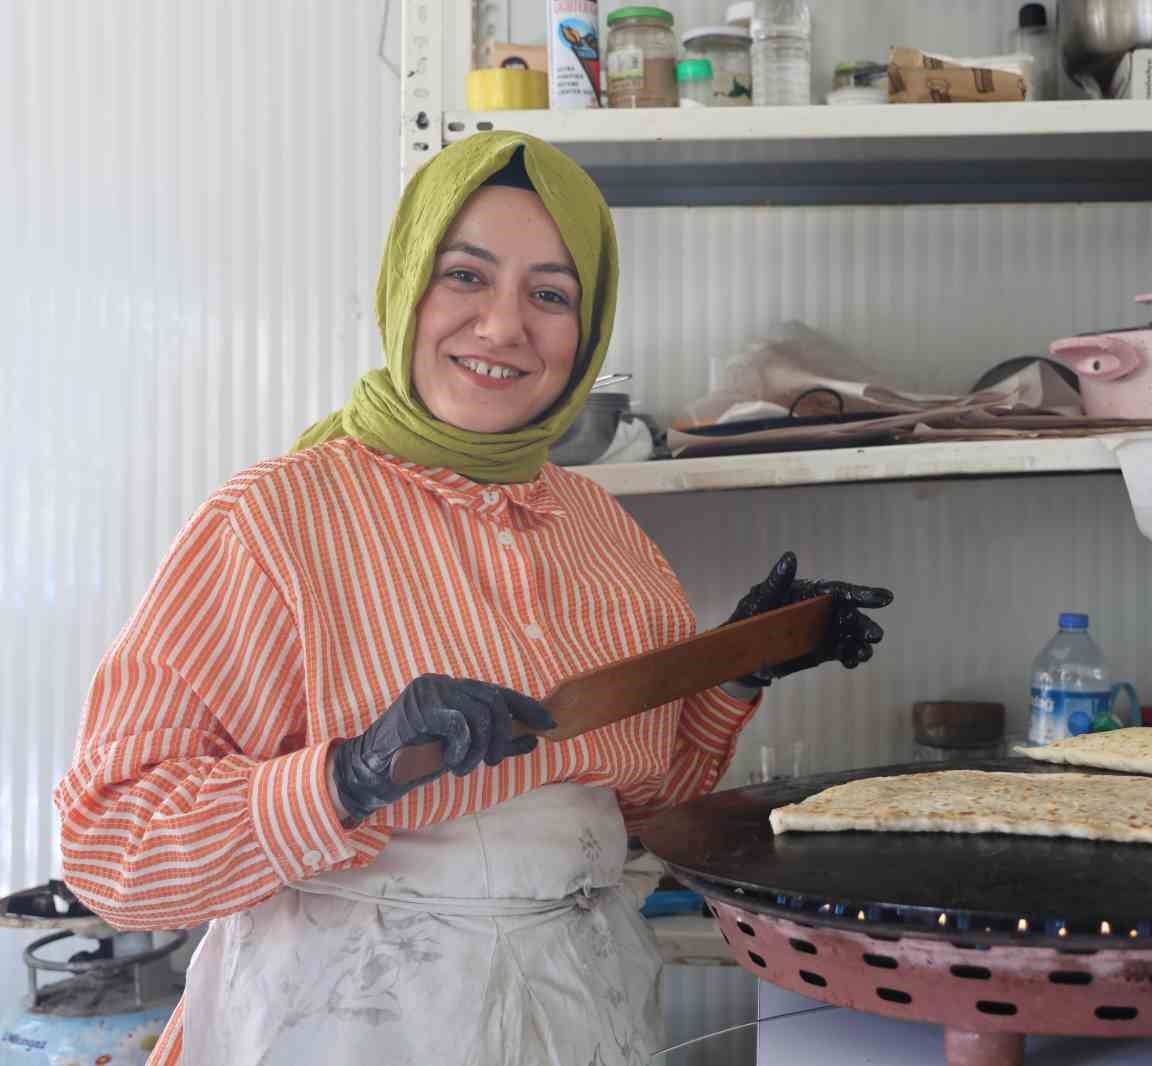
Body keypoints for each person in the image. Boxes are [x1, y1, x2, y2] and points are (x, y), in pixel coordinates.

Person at [53, 131, 891, 1066]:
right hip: (345, 1018)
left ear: (587, 330)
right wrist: (347, 775)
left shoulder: (603, 533)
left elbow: (649, 794)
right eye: (465, 276)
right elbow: (112, 851)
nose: (502, 327)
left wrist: (738, 667)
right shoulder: (273, 520)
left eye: (548, 294)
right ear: (407, 284)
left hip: (582, 1004)